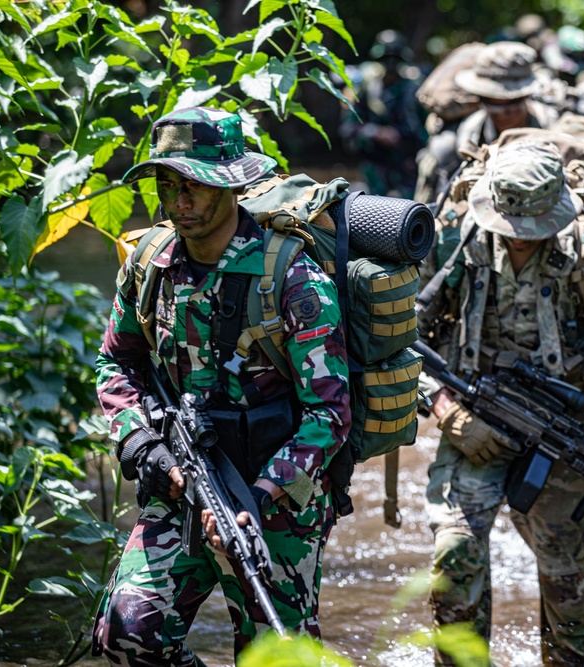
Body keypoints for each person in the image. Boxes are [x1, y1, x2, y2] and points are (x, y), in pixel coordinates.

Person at [92, 107, 351, 663]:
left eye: (194, 186)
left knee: (274, 653)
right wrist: (146, 448)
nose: (179, 202)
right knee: (127, 632)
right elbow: (116, 365)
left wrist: (258, 498)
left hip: (273, 503)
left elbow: (329, 417)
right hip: (180, 482)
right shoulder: (149, 265)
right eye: (168, 187)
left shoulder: (294, 281)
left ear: (230, 185)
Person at [418, 138, 584, 666]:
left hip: (568, 432)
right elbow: (394, 341)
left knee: (568, 580)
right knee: (455, 557)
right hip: (474, 421)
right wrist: (445, 410)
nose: (519, 241)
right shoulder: (454, 239)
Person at [415, 41, 558, 206]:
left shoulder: (550, 127)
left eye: (511, 105)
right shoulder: (468, 136)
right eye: (492, 106)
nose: (502, 115)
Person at [340, 29, 427, 198]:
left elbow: (426, 131)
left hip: (408, 166)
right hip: (376, 166)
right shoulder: (365, 90)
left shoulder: (414, 91)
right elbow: (348, 129)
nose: (391, 65)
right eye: (385, 59)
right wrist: (377, 133)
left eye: (396, 60)